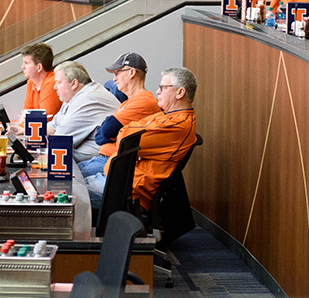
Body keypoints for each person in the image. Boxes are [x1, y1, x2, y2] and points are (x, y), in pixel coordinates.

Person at [85, 67, 197, 214]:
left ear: (180, 93)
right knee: (66, 185)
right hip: (115, 181)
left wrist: (129, 130)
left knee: (68, 195)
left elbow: (125, 138)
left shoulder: (178, 125)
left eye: (163, 88)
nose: (158, 92)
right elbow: (127, 130)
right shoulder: (165, 116)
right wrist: (129, 130)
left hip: (127, 193)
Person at [78, 52, 160, 180]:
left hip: (112, 163)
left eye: (117, 73)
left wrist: (110, 133)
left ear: (132, 72)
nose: (114, 79)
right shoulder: (128, 102)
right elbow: (100, 135)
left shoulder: (144, 101)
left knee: (69, 183)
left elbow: (105, 131)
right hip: (104, 159)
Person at [47, 60, 119, 162]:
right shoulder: (73, 95)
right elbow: (53, 126)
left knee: (53, 164)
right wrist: (28, 135)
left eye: (58, 82)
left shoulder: (87, 99)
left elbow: (59, 143)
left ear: (74, 84)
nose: (54, 87)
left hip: (105, 159)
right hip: (86, 156)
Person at [18, 43, 61, 122]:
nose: (22, 67)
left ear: (39, 67)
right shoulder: (31, 82)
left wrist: (25, 123)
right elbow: (25, 114)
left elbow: (43, 121)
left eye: (26, 63)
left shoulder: (52, 83)